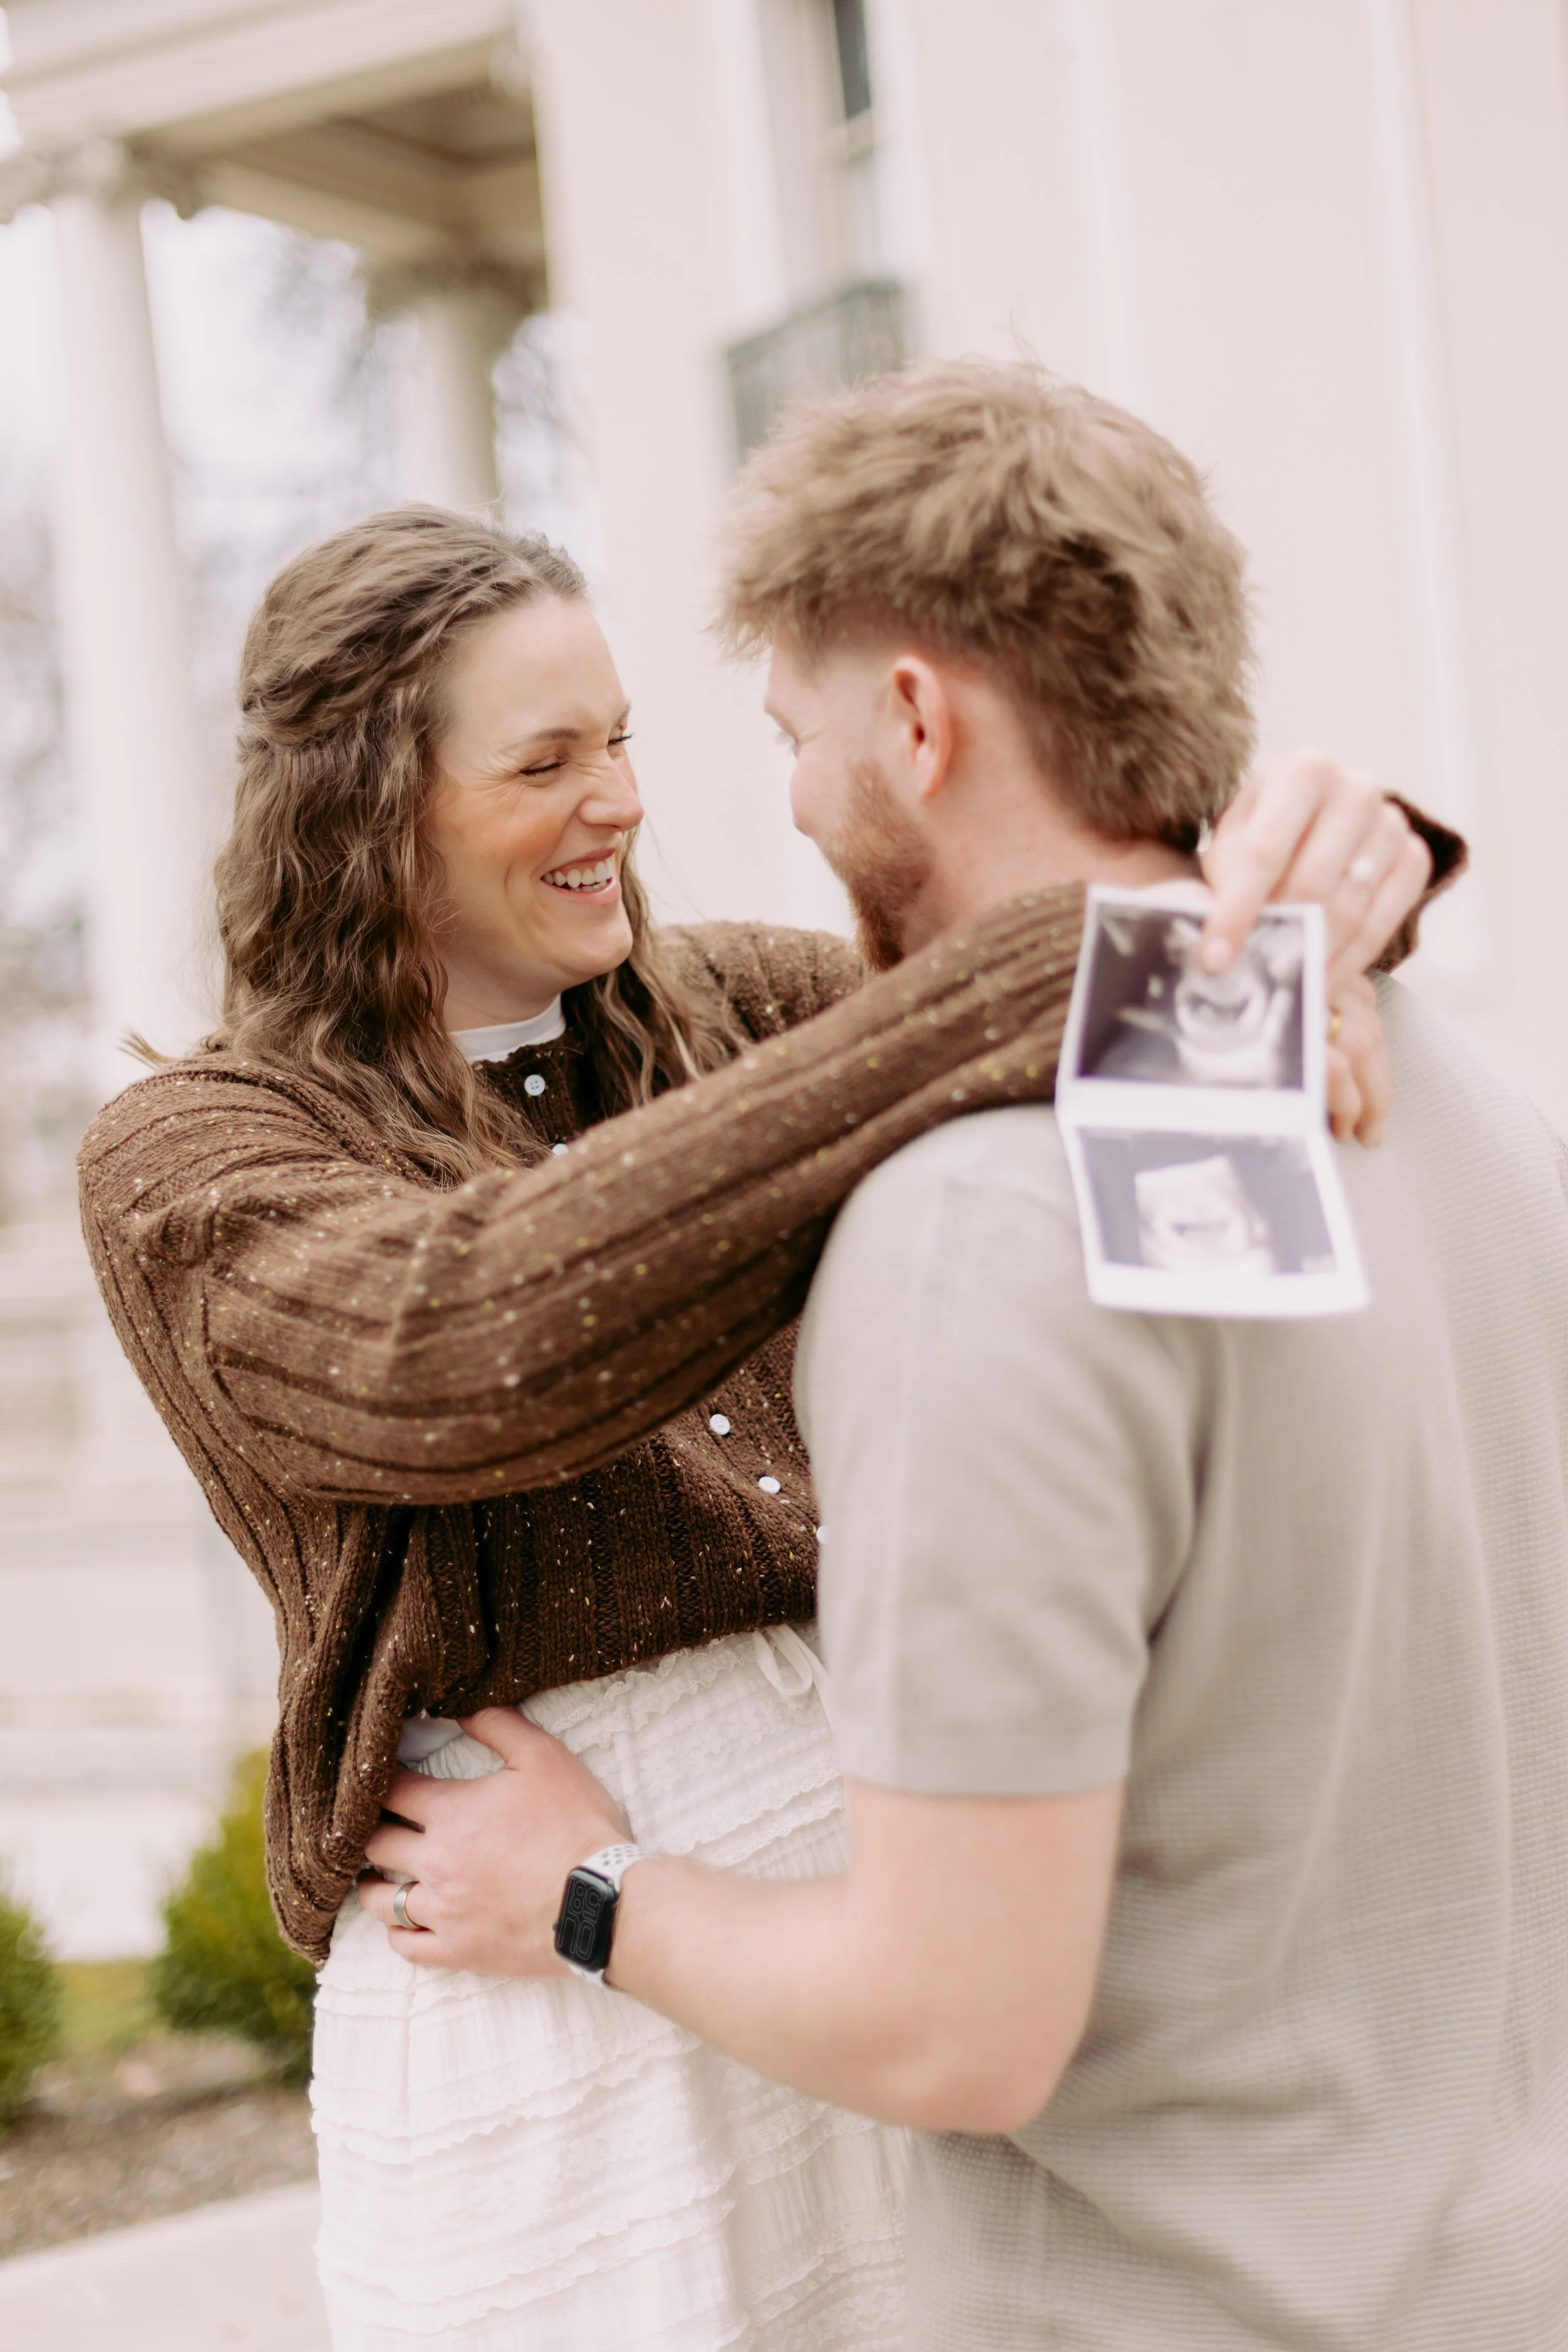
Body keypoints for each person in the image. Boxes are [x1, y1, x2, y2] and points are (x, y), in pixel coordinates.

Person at [78, 487, 1447, 2349]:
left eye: (623, 738)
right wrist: (1066, 967)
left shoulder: (734, 1002)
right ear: (363, 808)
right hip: (538, 1998)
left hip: (859, 1954)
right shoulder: (191, 1152)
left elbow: (1104, 965)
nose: (621, 800)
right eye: (546, 761)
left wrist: (1336, 873)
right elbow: (449, 1346)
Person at [357, 364, 1567, 2351]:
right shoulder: (1462, 1100)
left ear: (914, 721)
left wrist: (584, 1885)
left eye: (793, 733)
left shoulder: (975, 1227)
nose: (786, 800)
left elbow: (956, 2021)